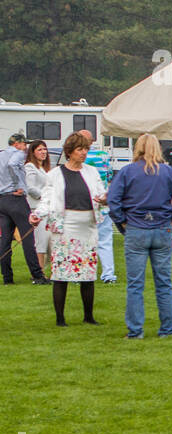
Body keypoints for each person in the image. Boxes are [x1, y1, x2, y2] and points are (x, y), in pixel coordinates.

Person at [107, 134, 172, 339]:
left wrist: (122, 221)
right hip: (162, 228)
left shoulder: (128, 171)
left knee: (135, 284)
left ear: (138, 148)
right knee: (164, 282)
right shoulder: (168, 172)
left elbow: (113, 199)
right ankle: (167, 329)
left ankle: (135, 331)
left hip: (136, 228)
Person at [30, 133, 106, 324]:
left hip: (88, 226)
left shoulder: (91, 172)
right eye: (80, 149)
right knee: (61, 274)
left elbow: (100, 193)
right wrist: (37, 215)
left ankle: (88, 316)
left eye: (86, 149)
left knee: (88, 274)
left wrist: (104, 199)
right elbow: (47, 199)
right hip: (64, 228)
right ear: (69, 152)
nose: (84, 153)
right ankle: (60, 318)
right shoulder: (54, 175)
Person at [0, 133, 49, 285]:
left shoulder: (1, 155)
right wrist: (19, 185)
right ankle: (37, 275)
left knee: (5, 240)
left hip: (2, 200)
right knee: (28, 238)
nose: (26, 148)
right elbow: (12, 165)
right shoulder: (17, 154)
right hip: (16, 199)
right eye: (24, 144)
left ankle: (7, 277)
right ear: (17, 144)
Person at [76, 130, 117, 283]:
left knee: (82, 241)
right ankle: (108, 275)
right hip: (103, 203)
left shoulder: (79, 158)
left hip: (84, 204)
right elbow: (110, 175)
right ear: (92, 140)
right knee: (105, 241)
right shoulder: (103, 155)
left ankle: (80, 272)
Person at [23, 140, 53, 279]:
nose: (43, 152)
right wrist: (45, 197)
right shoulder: (30, 167)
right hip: (37, 207)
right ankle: (39, 272)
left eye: (45, 149)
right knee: (41, 240)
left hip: (49, 208)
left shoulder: (46, 169)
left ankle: (51, 271)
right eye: (40, 150)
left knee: (49, 240)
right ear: (33, 152)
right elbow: (30, 188)